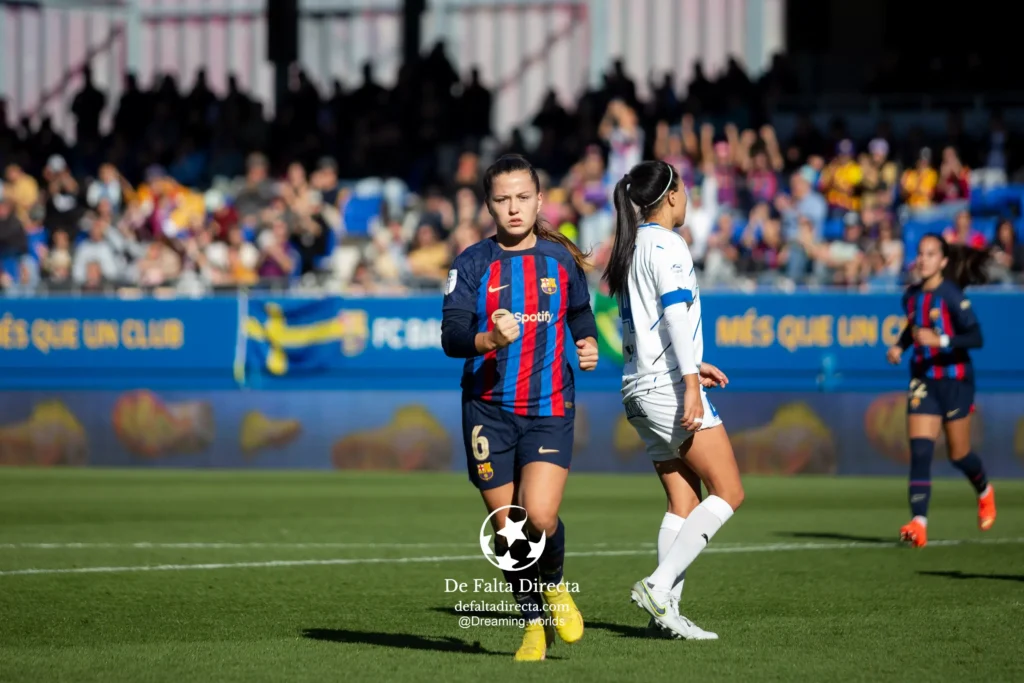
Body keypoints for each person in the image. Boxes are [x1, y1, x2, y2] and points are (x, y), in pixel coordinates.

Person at [441, 154, 599, 661]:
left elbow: (579, 311)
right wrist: (486, 338)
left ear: (539, 199)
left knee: (541, 515)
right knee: (511, 533)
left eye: (523, 198)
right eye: (503, 199)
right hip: (488, 411)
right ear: (488, 204)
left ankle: (553, 586)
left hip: (550, 405)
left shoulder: (559, 261)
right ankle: (533, 627)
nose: (513, 208)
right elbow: (452, 335)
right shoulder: (471, 263)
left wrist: (589, 340)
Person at [602, 159, 744, 639]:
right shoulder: (668, 243)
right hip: (666, 386)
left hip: (637, 385)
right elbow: (674, 313)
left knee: (683, 501)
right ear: (670, 195)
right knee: (730, 491)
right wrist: (688, 380)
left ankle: (665, 615)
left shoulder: (632, 246)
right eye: (685, 188)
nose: (688, 198)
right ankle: (659, 587)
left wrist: (690, 364)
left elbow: (647, 325)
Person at [886, 234, 996, 547]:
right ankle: (918, 523)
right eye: (920, 254)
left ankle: (985, 491)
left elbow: (976, 337)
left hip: (955, 380)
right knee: (920, 451)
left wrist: (942, 341)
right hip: (923, 379)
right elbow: (913, 326)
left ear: (943, 261)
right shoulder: (911, 296)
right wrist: (899, 346)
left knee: (959, 454)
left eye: (931, 254)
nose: (923, 260)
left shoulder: (951, 295)